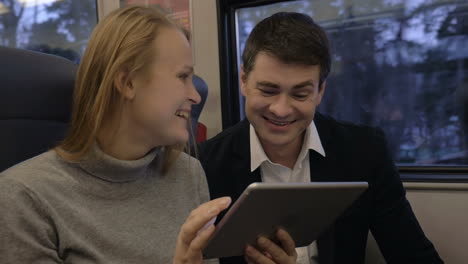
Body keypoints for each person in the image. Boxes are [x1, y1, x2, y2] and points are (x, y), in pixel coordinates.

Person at [198, 12, 444, 264]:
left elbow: (414, 255)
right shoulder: (205, 164)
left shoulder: (364, 152)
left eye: (300, 94)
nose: (281, 109)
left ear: (320, 91)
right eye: (268, 90)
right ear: (243, 81)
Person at [0, 6, 236, 264]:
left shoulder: (188, 173)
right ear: (127, 83)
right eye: (183, 76)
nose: (196, 95)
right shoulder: (23, 197)